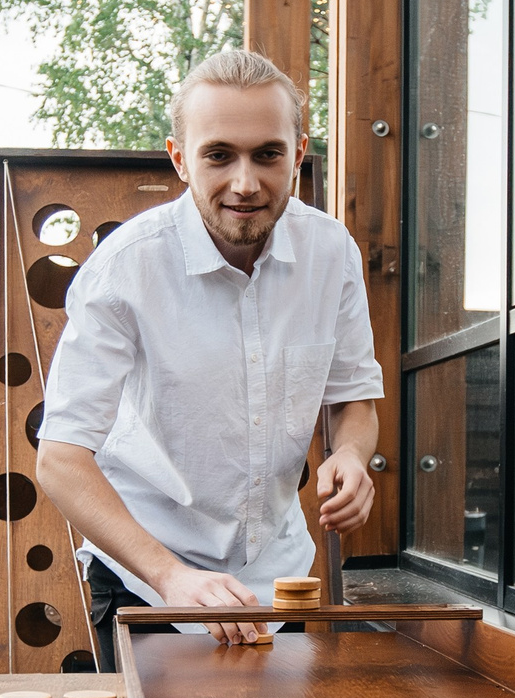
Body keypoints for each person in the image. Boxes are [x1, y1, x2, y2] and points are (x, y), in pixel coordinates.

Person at [36, 48, 381, 661]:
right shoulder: (123, 270)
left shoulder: (334, 254)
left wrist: (353, 454)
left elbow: (353, 400)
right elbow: (61, 459)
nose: (244, 183)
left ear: (297, 155)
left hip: (280, 579)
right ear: (180, 160)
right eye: (218, 155)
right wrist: (170, 578)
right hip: (148, 580)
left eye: (268, 154)